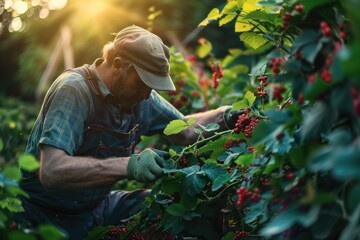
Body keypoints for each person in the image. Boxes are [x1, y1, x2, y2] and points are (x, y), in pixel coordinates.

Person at [16, 25, 241, 239]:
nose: (147, 94)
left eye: (152, 86)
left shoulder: (140, 96)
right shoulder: (74, 91)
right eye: (143, 82)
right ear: (117, 64)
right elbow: (52, 170)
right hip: (46, 215)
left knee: (172, 205)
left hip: (98, 207)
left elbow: (184, 130)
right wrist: (128, 165)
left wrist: (226, 116)